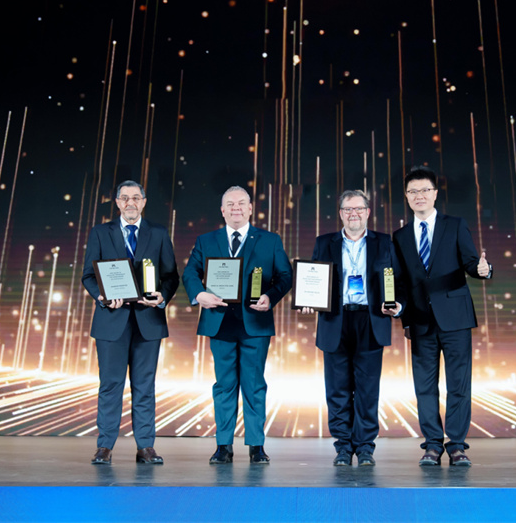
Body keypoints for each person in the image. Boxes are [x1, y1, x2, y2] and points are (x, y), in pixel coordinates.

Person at [183, 185, 292, 464]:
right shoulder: (206, 240)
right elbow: (190, 272)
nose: (236, 208)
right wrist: (199, 294)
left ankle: (256, 445)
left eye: (241, 203)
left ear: (250, 208)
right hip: (219, 322)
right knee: (224, 385)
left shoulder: (270, 240)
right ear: (222, 210)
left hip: (255, 322)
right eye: (230, 204)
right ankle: (223, 446)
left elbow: (285, 276)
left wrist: (271, 297)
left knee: (254, 385)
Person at [392, 166, 492, 467]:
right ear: (407, 197)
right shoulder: (400, 236)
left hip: (455, 318)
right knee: (424, 387)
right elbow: (400, 282)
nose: (419, 196)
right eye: (413, 191)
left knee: (458, 384)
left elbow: (472, 263)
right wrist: (400, 310)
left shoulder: (455, 225)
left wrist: (484, 270)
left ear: (435, 194)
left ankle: (457, 445)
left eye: (425, 190)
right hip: (420, 320)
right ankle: (433, 445)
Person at [301, 190, 404, 467]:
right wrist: (308, 299)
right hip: (336, 320)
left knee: (368, 390)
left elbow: (400, 281)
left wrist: (399, 305)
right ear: (340, 214)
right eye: (348, 209)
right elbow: (313, 279)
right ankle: (343, 447)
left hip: (371, 320)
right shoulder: (324, 242)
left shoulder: (384, 242)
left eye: (359, 208)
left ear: (368, 212)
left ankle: (366, 447)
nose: (353, 214)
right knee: (337, 390)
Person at [82, 180, 179, 465]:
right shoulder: (100, 232)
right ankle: (104, 447)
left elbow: (171, 276)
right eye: (124, 198)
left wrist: (162, 296)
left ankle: (145, 446)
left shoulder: (158, 233)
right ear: (117, 202)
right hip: (111, 320)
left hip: (148, 320)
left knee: (144, 386)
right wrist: (101, 296)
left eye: (136, 197)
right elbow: (88, 275)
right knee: (110, 385)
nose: (130, 203)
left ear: (144, 202)